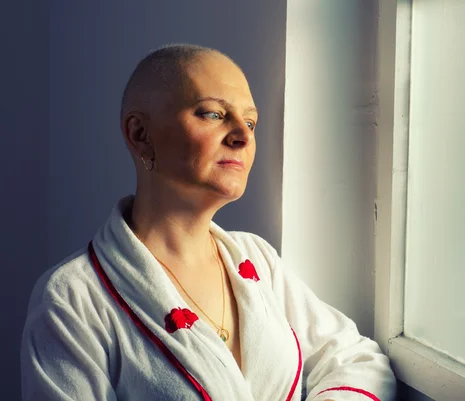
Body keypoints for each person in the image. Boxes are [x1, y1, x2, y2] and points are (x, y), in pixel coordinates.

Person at [20, 44, 397, 401]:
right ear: (140, 135)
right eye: (213, 114)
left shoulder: (255, 259)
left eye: (251, 122)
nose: (243, 136)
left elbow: (356, 359)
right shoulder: (71, 299)